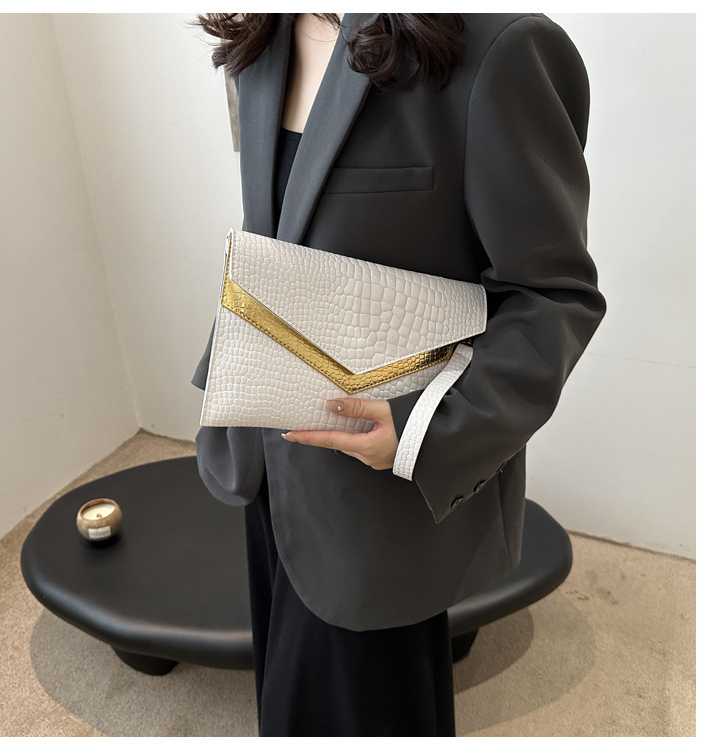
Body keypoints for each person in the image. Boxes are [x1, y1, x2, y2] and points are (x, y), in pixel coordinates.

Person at [190, 12, 606, 737]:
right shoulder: (261, 42)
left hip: (379, 494)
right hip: (268, 449)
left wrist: (425, 432)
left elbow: (551, 295)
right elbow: (279, 228)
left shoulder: (496, 48)